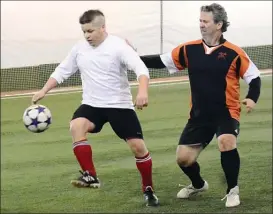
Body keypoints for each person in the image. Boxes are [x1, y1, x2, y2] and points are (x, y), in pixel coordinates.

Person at [31, 9, 159, 207]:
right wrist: (44, 90)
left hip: (119, 105)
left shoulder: (118, 46)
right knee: (76, 126)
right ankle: (90, 175)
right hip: (92, 104)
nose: (87, 35)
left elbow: (140, 69)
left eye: (90, 31)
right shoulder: (79, 48)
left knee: (138, 148)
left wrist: (143, 92)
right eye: (84, 31)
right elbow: (63, 70)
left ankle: (148, 188)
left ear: (103, 27)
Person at [138, 3, 261, 208]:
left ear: (219, 24)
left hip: (226, 112)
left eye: (205, 21)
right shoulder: (189, 49)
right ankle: (198, 184)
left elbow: (254, 78)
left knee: (226, 142)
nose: (201, 25)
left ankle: (232, 190)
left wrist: (252, 97)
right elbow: (161, 61)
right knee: (183, 159)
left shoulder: (234, 53)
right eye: (200, 21)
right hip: (199, 116)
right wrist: (132, 58)